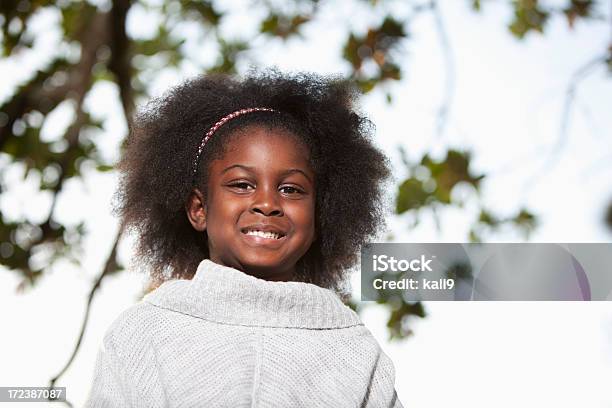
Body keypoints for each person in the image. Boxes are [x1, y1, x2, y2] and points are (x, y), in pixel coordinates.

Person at [85, 70, 403, 407]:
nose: (267, 203)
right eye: (241, 185)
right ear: (199, 208)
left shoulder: (356, 352)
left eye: (291, 189)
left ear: (319, 218)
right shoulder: (142, 334)